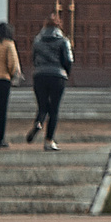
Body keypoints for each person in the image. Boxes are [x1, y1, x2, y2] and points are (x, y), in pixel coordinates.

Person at [27, 14, 72, 147]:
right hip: (57, 76)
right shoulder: (63, 40)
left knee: (42, 106)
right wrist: (66, 72)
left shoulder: (37, 40)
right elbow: (68, 60)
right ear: (59, 26)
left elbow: (34, 58)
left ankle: (38, 123)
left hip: (40, 75)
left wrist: (39, 69)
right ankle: (49, 140)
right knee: (54, 109)